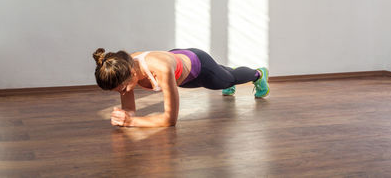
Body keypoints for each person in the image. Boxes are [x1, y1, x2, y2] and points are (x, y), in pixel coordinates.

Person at [93, 48, 269, 128]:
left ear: (132, 72)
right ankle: (222, 73)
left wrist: (131, 122)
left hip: (199, 67)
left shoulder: (160, 69)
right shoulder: (123, 66)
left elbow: (170, 120)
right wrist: (126, 115)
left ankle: (258, 74)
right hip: (180, 68)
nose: (124, 93)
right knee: (223, 75)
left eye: (123, 89)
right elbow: (130, 109)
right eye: (119, 91)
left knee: (229, 80)